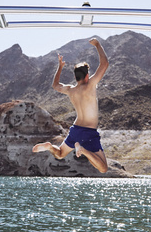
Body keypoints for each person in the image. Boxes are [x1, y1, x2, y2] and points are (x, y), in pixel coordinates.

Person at [33, 38, 109, 173]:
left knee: (60, 153)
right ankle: (83, 150)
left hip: (75, 130)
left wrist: (60, 67)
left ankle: (50, 147)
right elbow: (104, 64)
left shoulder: (70, 90)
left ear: (76, 77)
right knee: (103, 168)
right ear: (86, 76)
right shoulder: (90, 85)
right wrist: (97, 45)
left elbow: (55, 85)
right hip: (89, 132)